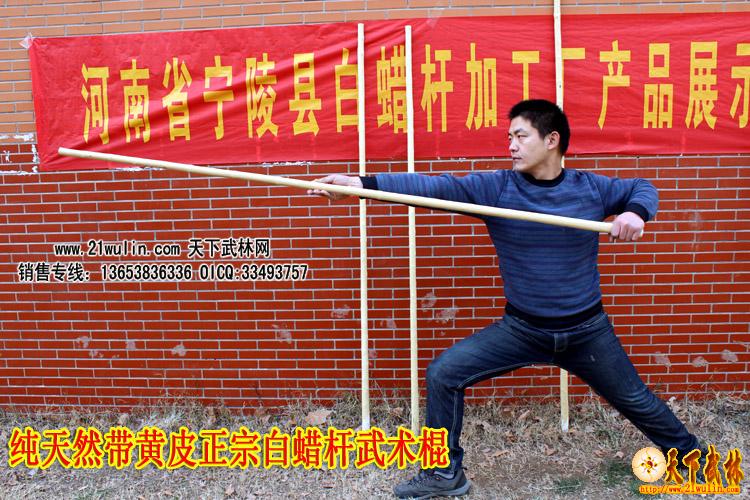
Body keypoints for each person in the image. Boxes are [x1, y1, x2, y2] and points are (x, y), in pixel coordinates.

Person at [308, 99, 703, 499]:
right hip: (522, 329)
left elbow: (642, 188)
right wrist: (360, 185)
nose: (511, 145)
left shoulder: (590, 188)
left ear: (551, 140)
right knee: (443, 374)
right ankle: (444, 474)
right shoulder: (497, 188)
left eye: (520, 136)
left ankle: (693, 458)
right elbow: (434, 187)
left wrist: (635, 213)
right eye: (509, 137)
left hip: (587, 331)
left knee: (637, 400)